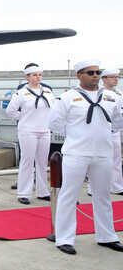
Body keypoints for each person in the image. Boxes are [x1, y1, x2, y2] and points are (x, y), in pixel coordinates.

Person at [48, 59, 123, 255]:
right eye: (90, 72)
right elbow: (54, 123)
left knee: (103, 195)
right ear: (79, 75)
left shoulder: (111, 97)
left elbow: (118, 122)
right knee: (69, 195)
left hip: (103, 153)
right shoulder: (67, 97)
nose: (95, 76)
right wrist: (77, 135)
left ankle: (107, 236)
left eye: (97, 72)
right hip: (76, 153)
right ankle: (64, 239)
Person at [5, 65, 53, 204]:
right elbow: (10, 111)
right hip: (28, 131)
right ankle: (24, 193)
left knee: (43, 162)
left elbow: (53, 108)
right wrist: (24, 116)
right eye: (34, 75)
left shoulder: (48, 91)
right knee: (27, 161)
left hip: (45, 130)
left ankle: (42, 191)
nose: (38, 77)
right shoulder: (22, 93)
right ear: (27, 77)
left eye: (39, 74)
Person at [86, 68, 123, 196]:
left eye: (117, 77)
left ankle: (116, 187)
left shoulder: (119, 94)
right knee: (95, 159)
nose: (116, 79)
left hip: (114, 130)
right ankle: (92, 188)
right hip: (100, 130)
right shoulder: (97, 92)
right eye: (112, 77)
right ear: (105, 79)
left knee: (116, 159)